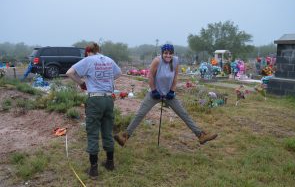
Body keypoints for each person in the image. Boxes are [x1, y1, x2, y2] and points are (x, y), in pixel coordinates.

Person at [114, 44, 217, 147]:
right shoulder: (157, 61)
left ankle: (200, 135)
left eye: (170, 53)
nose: (168, 55)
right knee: (140, 113)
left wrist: (172, 91)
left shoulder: (176, 61)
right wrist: (154, 91)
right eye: (165, 53)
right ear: (162, 53)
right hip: (154, 94)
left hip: (169, 94)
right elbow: (150, 77)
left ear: (173, 53)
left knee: (183, 113)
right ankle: (125, 136)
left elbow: (176, 76)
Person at [66, 42, 121, 178]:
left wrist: (82, 83)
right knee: (107, 131)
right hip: (109, 99)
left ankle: (94, 169)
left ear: (88, 52)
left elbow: (70, 72)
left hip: (95, 99)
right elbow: (119, 73)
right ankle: (110, 163)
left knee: (92, 132)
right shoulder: (108, 60)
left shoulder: (88, 60)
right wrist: (106, 80)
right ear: (98, 51)